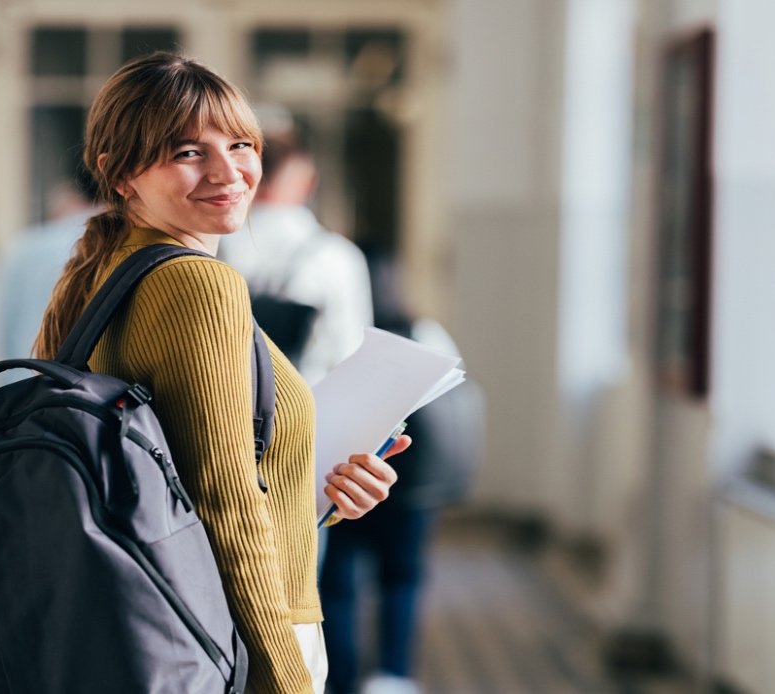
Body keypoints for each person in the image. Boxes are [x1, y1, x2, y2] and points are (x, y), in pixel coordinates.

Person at [32, 52, 408, 694]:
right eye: (187, 152)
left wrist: (321, 493)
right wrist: (284, 679)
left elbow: (168, 474)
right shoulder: (198, 283)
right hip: (230, 635)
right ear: (119, 173)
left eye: (241, 144)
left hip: (154, 628)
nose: (230, 172)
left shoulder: (101, 269)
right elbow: (222, 501)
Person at [319, 252, 485, 694]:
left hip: (341, 474)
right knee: (402, 578)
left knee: (336, 583)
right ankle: (393, 676)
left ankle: (341, 678)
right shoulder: (426, 332)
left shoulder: (337, 336)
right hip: (413, 486)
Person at [217, 129, 373, 386]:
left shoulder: (211, 244)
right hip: (308, 410)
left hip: (226, 403)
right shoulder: (336, 256)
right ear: (309, 183)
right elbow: (349, 357)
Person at [0, 175, 98, 365]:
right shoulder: (105, 243)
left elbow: (5, 326)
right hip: (81, 382)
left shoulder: (25, 245)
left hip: (23, 374)